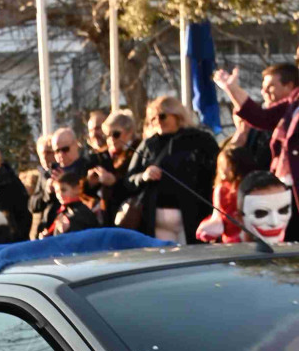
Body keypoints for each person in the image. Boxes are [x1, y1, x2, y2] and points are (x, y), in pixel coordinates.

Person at [215, 62, 299, 244]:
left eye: (270, 86)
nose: (264, 92)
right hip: (284, 189)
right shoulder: (294, 102)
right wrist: (231, 88)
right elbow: (261, 117)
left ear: (290, 85)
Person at [124, 96, 219, 242]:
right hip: (156, 218)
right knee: (165, 261)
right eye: (153, 118)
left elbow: (216, 173)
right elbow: (129, 179)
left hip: (193, 216)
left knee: (190, 261)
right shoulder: (148, 144)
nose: (158, 122)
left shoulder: (201, 140)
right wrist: (143, 176)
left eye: (162, 116)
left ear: (176, 115)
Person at [87, 108, 139, 222]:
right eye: (108, 135)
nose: (111, 139)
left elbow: (136, 186)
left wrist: (114, 182)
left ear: (129, 132)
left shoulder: (138, 152)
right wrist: (90, 183)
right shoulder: (103, 155)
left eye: (116, 134)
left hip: (131, 218)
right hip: (109, 217)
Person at [29, 128, 83, 237]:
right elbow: (32, 205)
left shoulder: (87, 167)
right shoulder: (48, 174)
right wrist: (47, 192)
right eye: (57, 151)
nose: (61, 154)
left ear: (76, 145)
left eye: (65, 149)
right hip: (50, 232)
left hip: (78, 228)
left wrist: (66, 184)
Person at [46, 158, 100, 236]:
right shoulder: (62, 212)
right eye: (57, 192)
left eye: (63, 190)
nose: (59, 195)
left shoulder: (82, 210)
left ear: (76, 189)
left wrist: (68, 228)